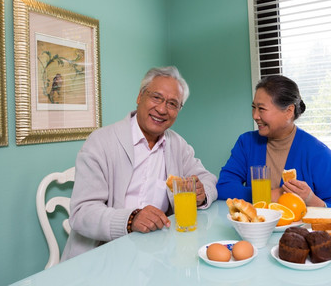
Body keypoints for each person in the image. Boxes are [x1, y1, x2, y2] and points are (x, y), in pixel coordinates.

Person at [62, 66, 218, 261]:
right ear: (139, 97)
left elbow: (207, 178)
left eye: (172, 104)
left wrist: (202, 194)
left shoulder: (177, 144)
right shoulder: (100, 142)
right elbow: (81, 213)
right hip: (103, 255)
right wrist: (130, 219)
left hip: (159, 253)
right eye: (156, 97)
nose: (162, 109)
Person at [216, 75, 331, 208]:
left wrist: (310, 199)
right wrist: (273, 195)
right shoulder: (246, 143)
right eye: (253, 107)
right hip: (256, 227)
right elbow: (223, 187)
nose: (255, 116)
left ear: (289, 111)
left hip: (300, 228)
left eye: (261, 109)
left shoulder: (319, 153)